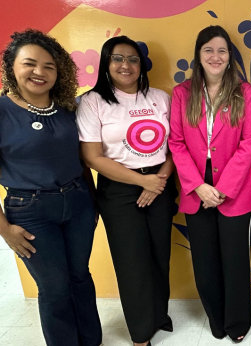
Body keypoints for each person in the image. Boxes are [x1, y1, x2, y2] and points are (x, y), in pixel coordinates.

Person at [0, 29, 102, 346]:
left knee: (80, 276)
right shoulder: (2, 111)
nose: (40, 72)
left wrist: (93, 204)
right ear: (10, 68)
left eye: (49, 66)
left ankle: (91, 340)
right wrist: (4, 229)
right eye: (30, 64)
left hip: (79, 204)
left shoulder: (69, 109)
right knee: (54, 287)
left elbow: (83, 160)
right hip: (30, 214)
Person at [77, 36, 178, 346]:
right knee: (131, 260)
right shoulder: (92, 101)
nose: (126, 65)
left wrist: (158, 179)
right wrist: (142, 182)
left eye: (133, 59)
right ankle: (140, 332)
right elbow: (92, 157)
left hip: (161, 182)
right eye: (118, 58)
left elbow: (177, 146)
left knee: (160, 254)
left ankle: (159, 315)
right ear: (107, 64)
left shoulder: (160, 97)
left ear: (141, 65)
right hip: (119, 190)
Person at [168, 25, 251, 342]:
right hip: (196, 189)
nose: (215, 56)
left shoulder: (246, 93)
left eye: (222, 50)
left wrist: (222, 188)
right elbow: (176, 144)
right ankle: (216, 319)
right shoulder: (182, 94)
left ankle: (237, 325)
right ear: (198, 55)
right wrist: (197, 185)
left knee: (234, 261)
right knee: (205, 263)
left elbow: (250, 143)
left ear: (230, 56)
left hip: (232, 188)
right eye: (208, 50)